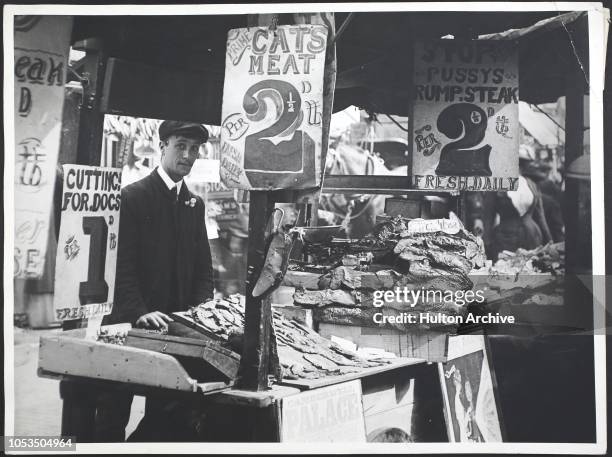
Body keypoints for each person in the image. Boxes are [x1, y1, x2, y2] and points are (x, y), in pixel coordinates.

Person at [95, 120, 214, 442]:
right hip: (129, 326)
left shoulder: (194, 203)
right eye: (180, 146)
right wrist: (137, 311)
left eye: (194, 149)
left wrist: (201, 314)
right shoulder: (132, 197)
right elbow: (120, 264)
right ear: (162, 147)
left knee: (165, 415)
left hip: (173, 331)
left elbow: (204, 266)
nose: (188, 155)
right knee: (111, 416)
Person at [481, 145, 553, 260]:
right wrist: (487, 242)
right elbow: (488, 216)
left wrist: (550, 242)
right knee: (506, 271)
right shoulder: (496, 186)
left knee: (531, 269)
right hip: (505, 240)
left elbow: (540, 217)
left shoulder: (532, 185)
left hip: (532, 238)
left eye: (521, 163)